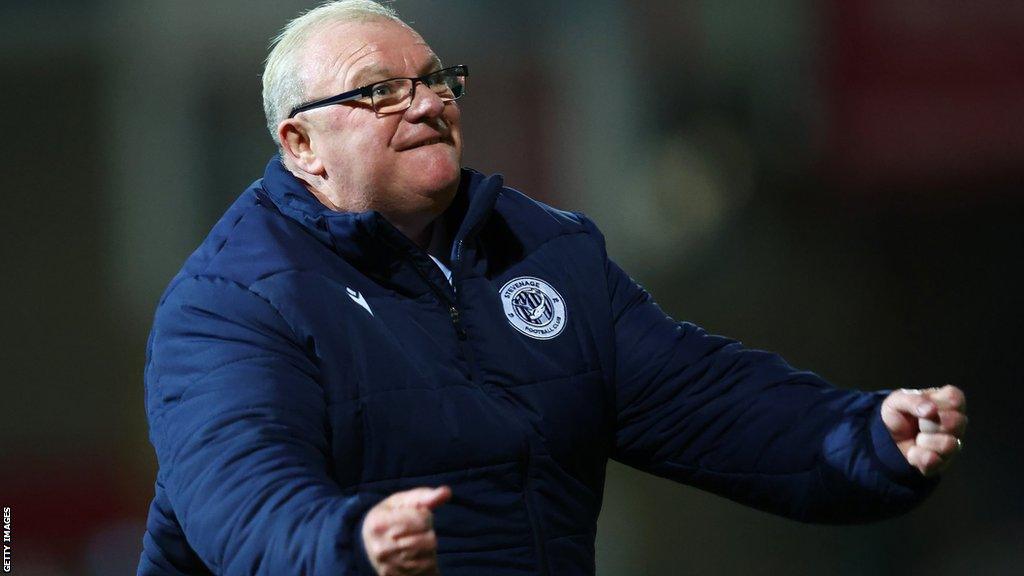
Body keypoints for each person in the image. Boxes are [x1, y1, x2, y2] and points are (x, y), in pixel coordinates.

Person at [137, 1, 968, 575]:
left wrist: (866, 434)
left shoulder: (544, 251)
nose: (426, 104)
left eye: (436, 80)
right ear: (302, 144)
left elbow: (706, 400)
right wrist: (350, 545)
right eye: (380, 92)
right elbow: (242, 506)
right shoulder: (232, 304)